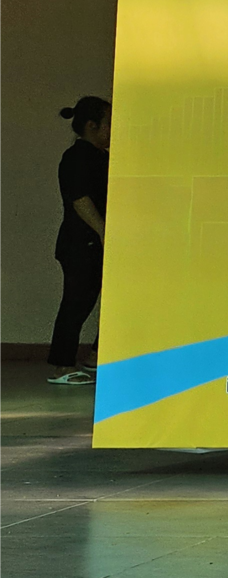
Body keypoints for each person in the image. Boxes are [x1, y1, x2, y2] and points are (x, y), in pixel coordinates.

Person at [47, 97, 110, 386]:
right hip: (80, 243)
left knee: (97, 300)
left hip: (91, 242)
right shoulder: (77, 157)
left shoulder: (100, 157)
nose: (112, 130)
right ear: (91, 125)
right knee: (76, 303)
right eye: (108, 124)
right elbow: (80, 199)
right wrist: (103, 231)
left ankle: (96, 355)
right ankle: (62, 366)